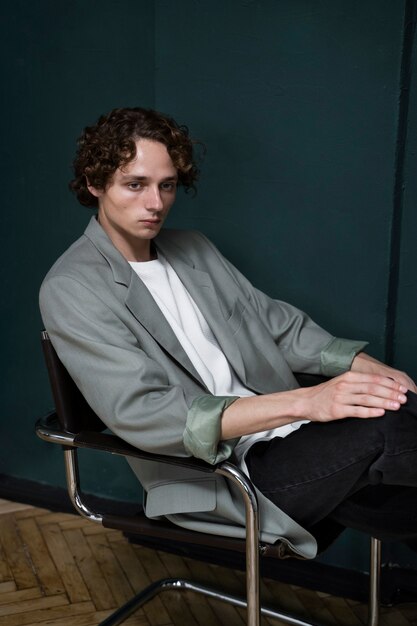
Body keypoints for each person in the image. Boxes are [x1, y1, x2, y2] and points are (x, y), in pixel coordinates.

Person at [39, 107, 417, 559]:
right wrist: (306, 401)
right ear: (95, 183)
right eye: (135, 185)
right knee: (385, 431)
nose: (155, 203)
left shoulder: (193, 249)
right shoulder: (72, 287)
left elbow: (278, 327)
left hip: (289, 441)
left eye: (167, 185)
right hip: (223, 475)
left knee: (396, 417)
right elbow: (149, 413)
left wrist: (370, 367)